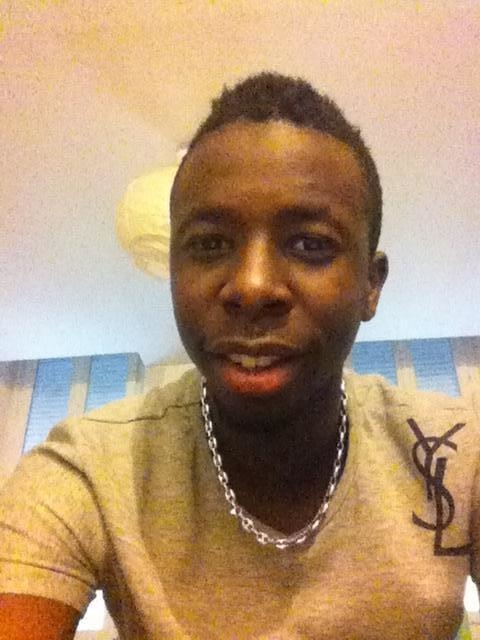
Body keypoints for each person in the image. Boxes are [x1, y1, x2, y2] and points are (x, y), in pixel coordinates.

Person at [0, 72, 478, 640]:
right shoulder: (88, 473)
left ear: (371, 285)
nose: (251, 287)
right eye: (210, 243)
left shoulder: (460, 455)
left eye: (310, 244)